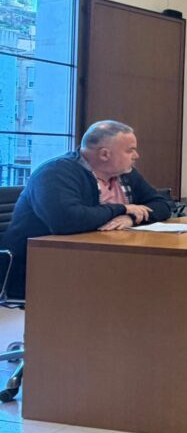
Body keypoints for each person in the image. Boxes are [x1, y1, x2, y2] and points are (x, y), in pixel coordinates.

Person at [3, 120, 173, 300]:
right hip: (42, 269)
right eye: (130, 150)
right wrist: (122, 208)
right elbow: (66, 221)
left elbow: (163, 205)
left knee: (151, 284)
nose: (136, 156)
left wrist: (130, 217)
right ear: (104, 154)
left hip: (100, 261)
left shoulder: (125, 174)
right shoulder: (55, 172)